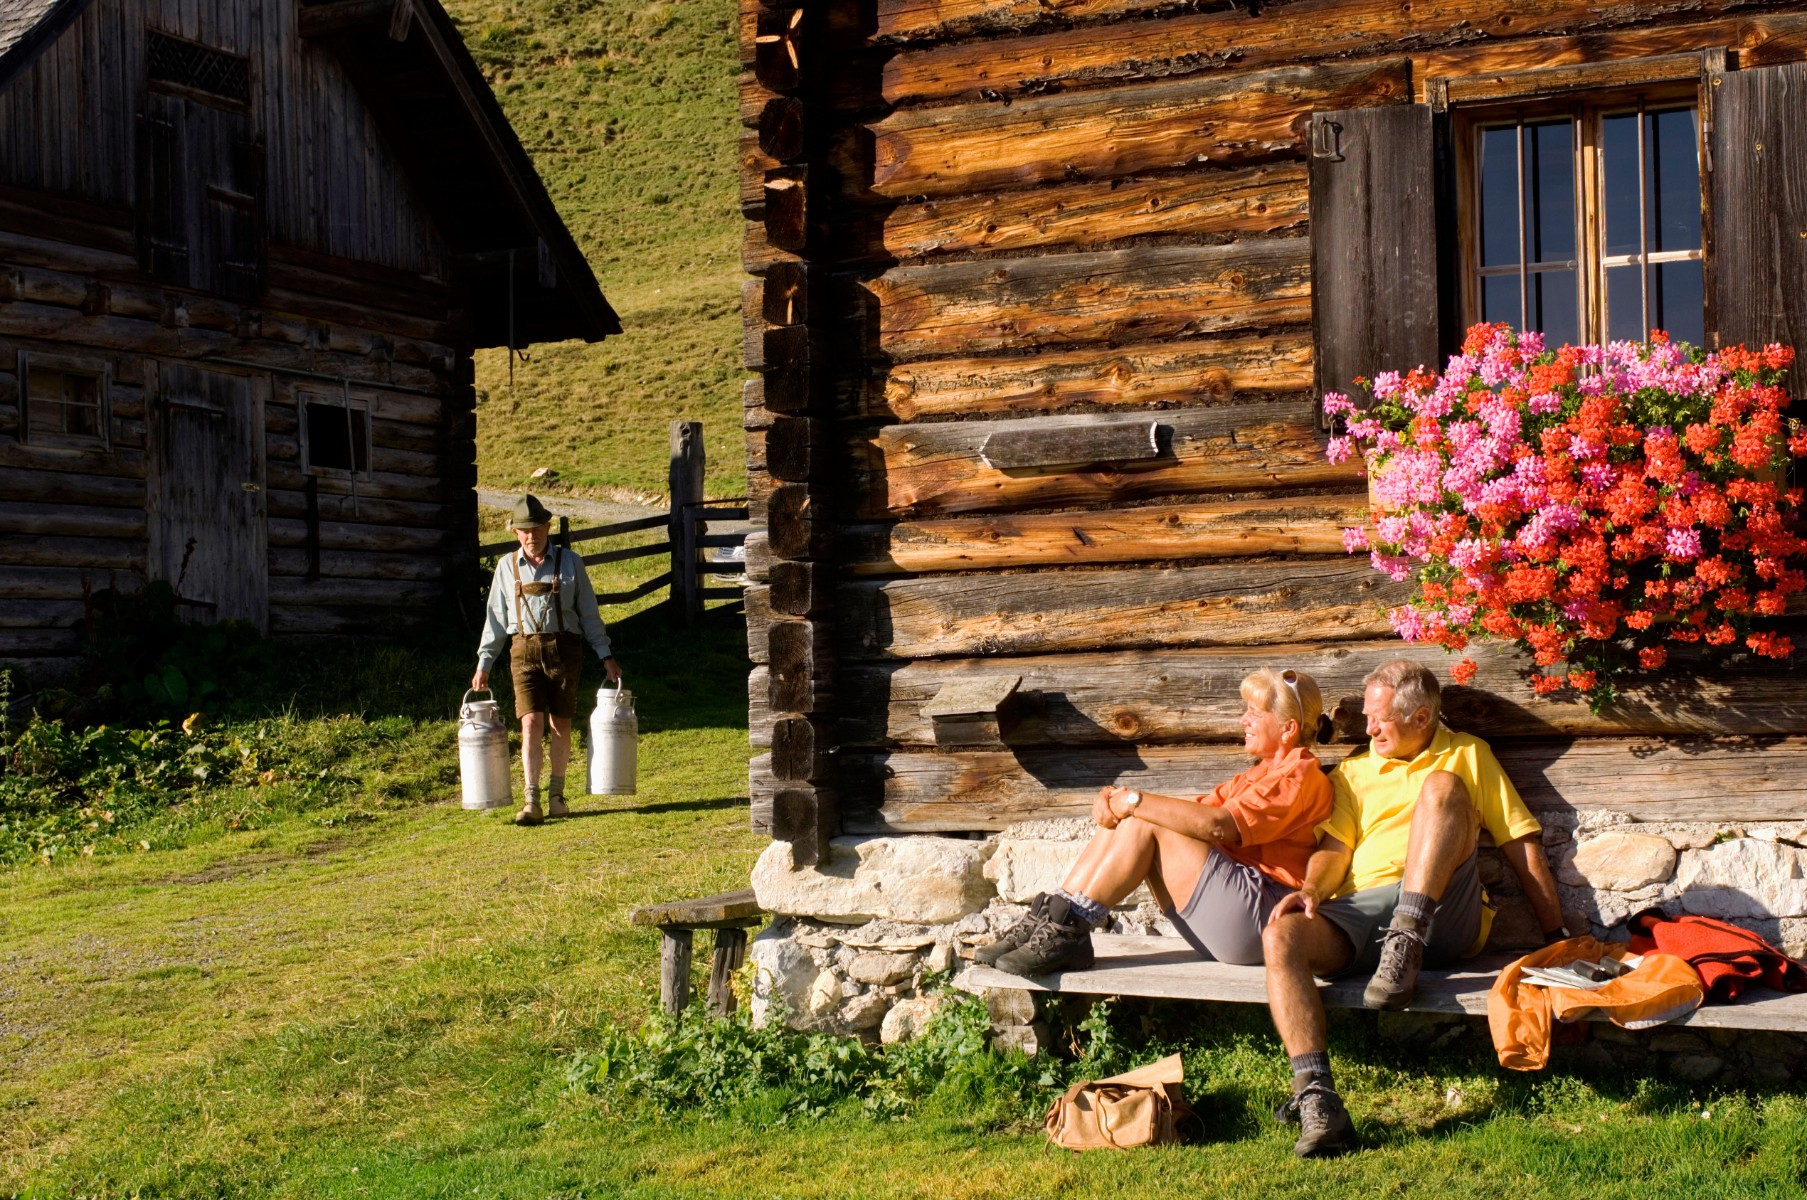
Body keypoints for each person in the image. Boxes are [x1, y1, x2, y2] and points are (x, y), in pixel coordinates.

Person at [1261, 659, 1566, 1159]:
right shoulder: (1354, 771)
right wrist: (1312, 890)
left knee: (1441, 786)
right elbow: (1335, 849)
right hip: (1365, 910)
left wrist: (1556, 933)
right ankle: (1317, 1099)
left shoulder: (1468, 753)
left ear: (1422, 717)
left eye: (1380, 719)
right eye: (1368, 717)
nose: (1369, 728)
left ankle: (1406, 940)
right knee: (1280, 937)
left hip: (1444, 913)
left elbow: (1518, 841)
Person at [980, 668, 1336, 978]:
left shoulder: (1300, 776)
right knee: (1136, 816)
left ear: (1288, 729)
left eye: (1254, 713)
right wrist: (1115, 801)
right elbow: (1192, 815)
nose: (1243, 720)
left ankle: (1069, 929)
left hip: (1264, 921)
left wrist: (1134, 802)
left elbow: (1218, 825)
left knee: (1143, 818)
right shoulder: (1257, 775)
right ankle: (1052, 919)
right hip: (1229, 923)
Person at [472, 494, 622, 826]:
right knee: (530, 723)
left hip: (565, 651)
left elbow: (589, 615)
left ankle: (557, 795)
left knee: (560, 724)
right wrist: (484, 663)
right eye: (525, 531)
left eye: (537, 529)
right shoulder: (506, 567)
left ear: (547, 527)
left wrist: (606, 655)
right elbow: (495, 621)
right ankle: (531, 800)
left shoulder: (571, 563)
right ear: (515, 532)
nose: (532, 536)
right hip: (522, 653)